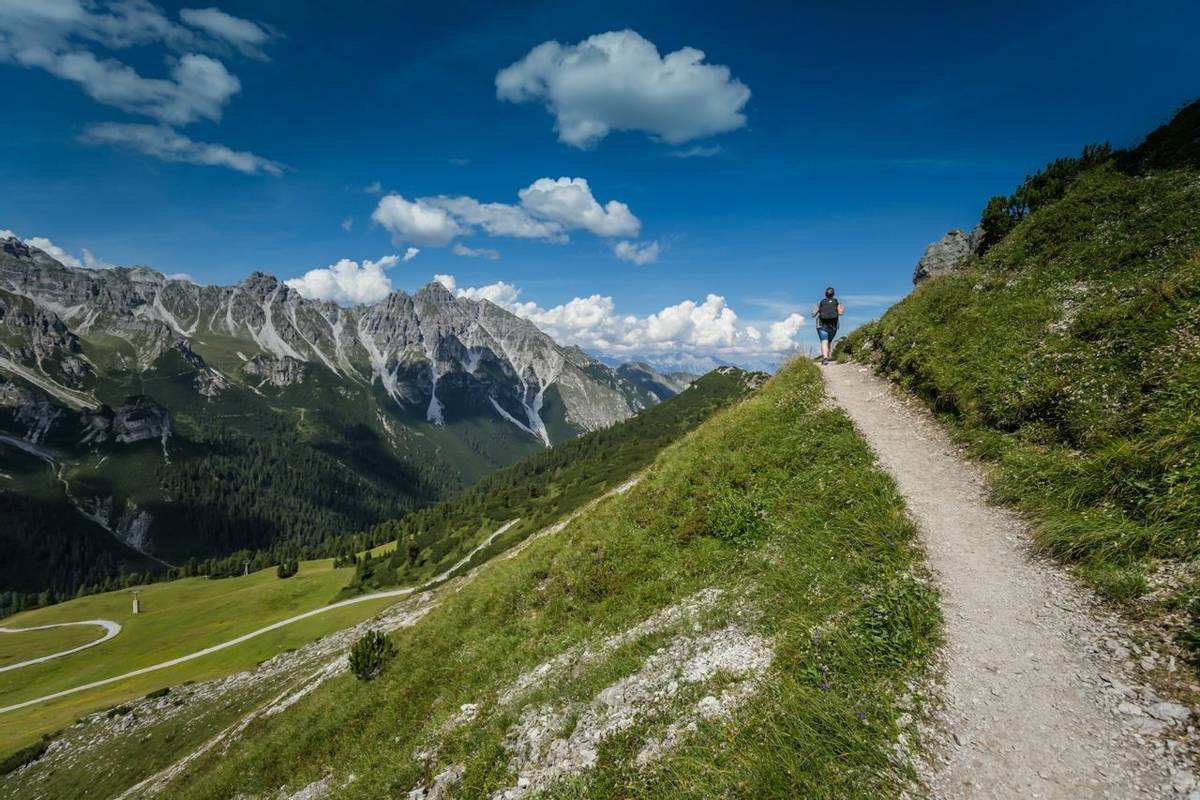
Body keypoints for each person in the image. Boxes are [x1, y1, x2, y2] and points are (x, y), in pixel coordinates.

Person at [811, 287, 844, 366]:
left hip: (821, 324)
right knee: (828, 341)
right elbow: (840, 313)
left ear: (825, 294)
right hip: (833, 326)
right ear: (833, 294)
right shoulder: (837, 303)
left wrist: (819, 310)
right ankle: (827, 357)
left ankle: (825, 358)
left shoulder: (820, 303)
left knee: (824, 340)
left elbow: (813, 314)